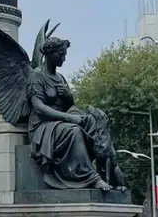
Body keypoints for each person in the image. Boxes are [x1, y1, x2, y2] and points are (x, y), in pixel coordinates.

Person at [27, 36, 110, 191]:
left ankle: (100, 170)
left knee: (91, 121)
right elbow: (39, 108)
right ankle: (90, 178)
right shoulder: (37, 76)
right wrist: (69, 117)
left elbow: (68, 105)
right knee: (74, 131)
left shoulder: (60, 78)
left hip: (61, 122)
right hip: (43, 127)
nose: (64, 59)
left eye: (65, 55)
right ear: (50, 54)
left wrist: (67, 95)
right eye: (60, 55)